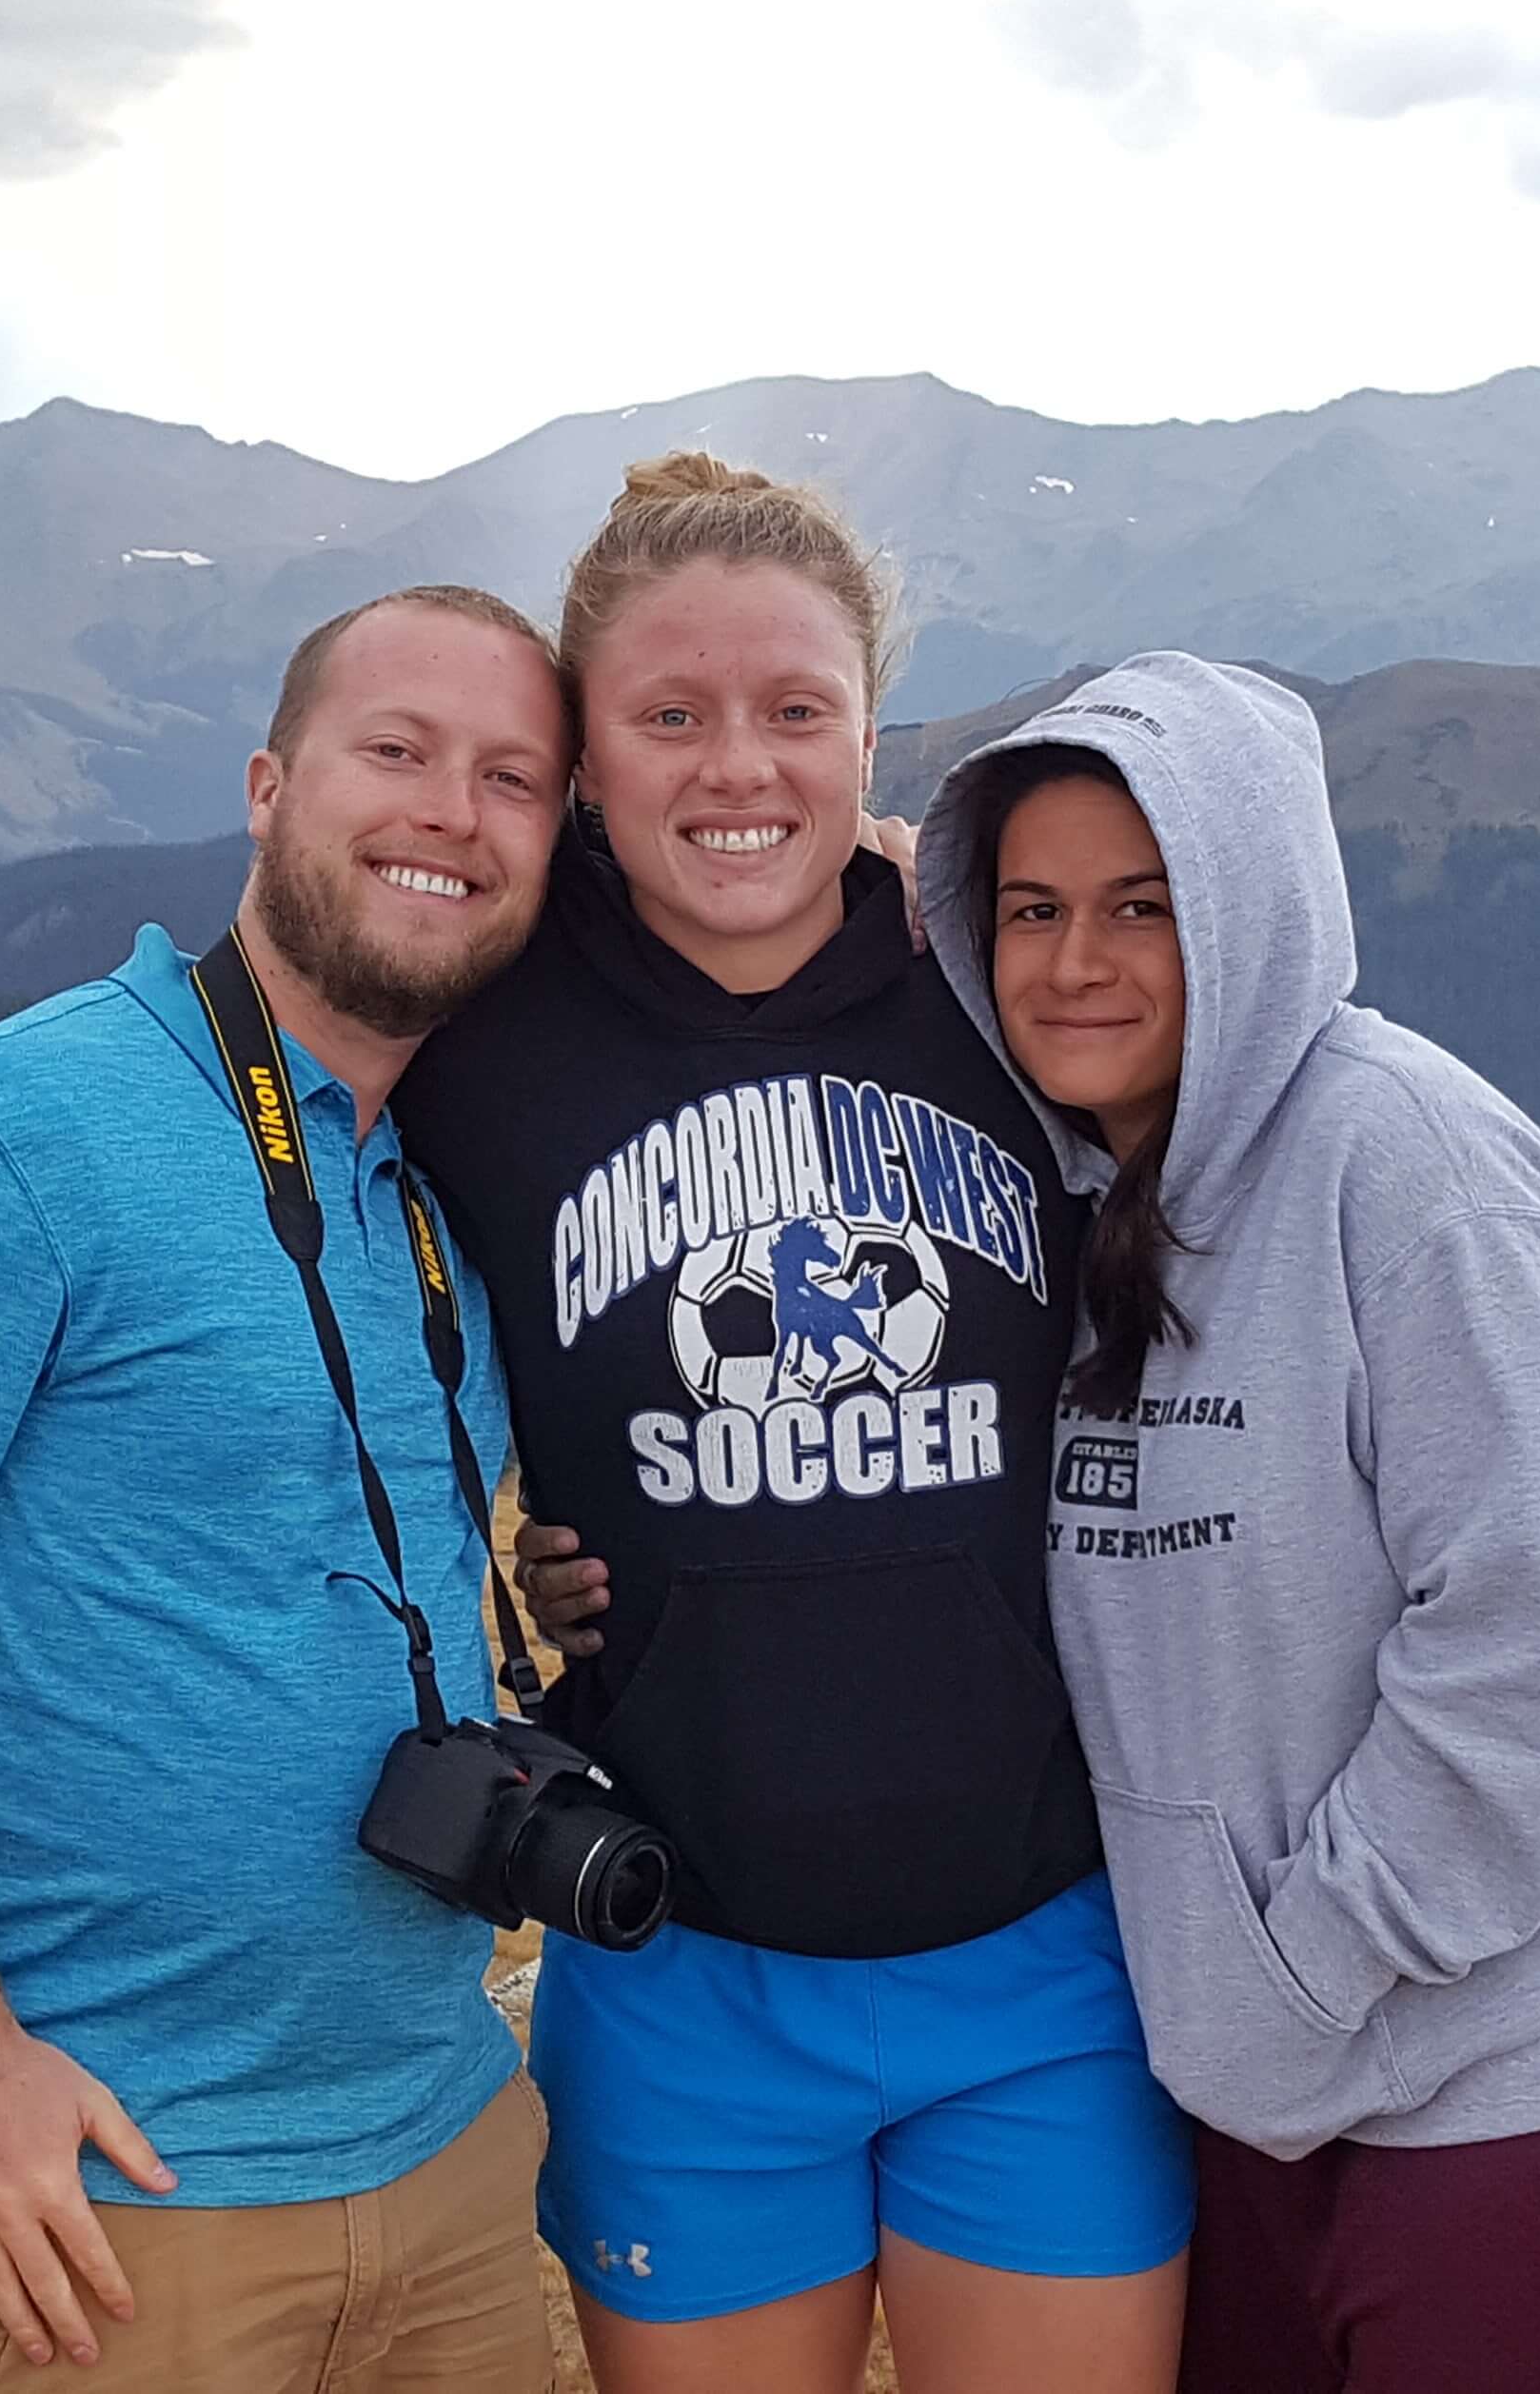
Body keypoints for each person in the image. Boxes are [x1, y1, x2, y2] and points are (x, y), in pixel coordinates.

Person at [535, 650, 1540, 2393]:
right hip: (1263, 2103)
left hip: (1521, 2093)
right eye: (1035, 906)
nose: (1076, 963)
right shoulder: (1084, 1189)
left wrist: (1299, 1982)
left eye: (1147, 905)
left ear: (1256, 912)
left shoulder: (1404, 1161)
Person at [0, 584, 577, 2392]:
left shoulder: (441, 1167)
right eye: (396, 752)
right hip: (107, 2194)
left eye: (513, 778)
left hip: (451, 2152)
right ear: (268, 785)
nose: (450, 813)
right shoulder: (13, 1131)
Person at [389, 458, 1190, 2394]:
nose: (733, 767)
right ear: (582, 751)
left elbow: (1281, 1136)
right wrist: (505, 1568)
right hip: (683, 1965)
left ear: (871, 733)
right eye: (668, 716)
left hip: (1046, 1955)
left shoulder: (1003, 999)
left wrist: (1537, 1254)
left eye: (793, 713)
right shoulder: (475, 1033)